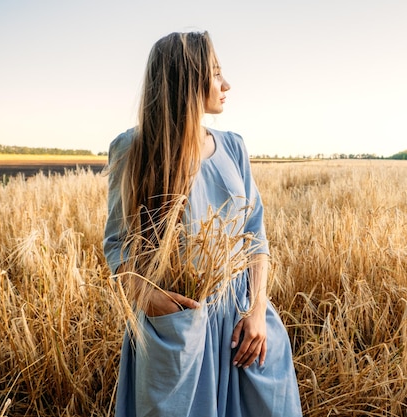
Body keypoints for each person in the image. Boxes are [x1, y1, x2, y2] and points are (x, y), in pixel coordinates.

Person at [103, 31, 302, 417]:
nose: (226, 85)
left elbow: (255, 236)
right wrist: (148, 298)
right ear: (187, 81)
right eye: (215, 74)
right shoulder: (132, 149)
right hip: (177, 323)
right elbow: (117, 243)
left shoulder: (233, 146)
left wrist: (258, 308)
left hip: (242, 324)